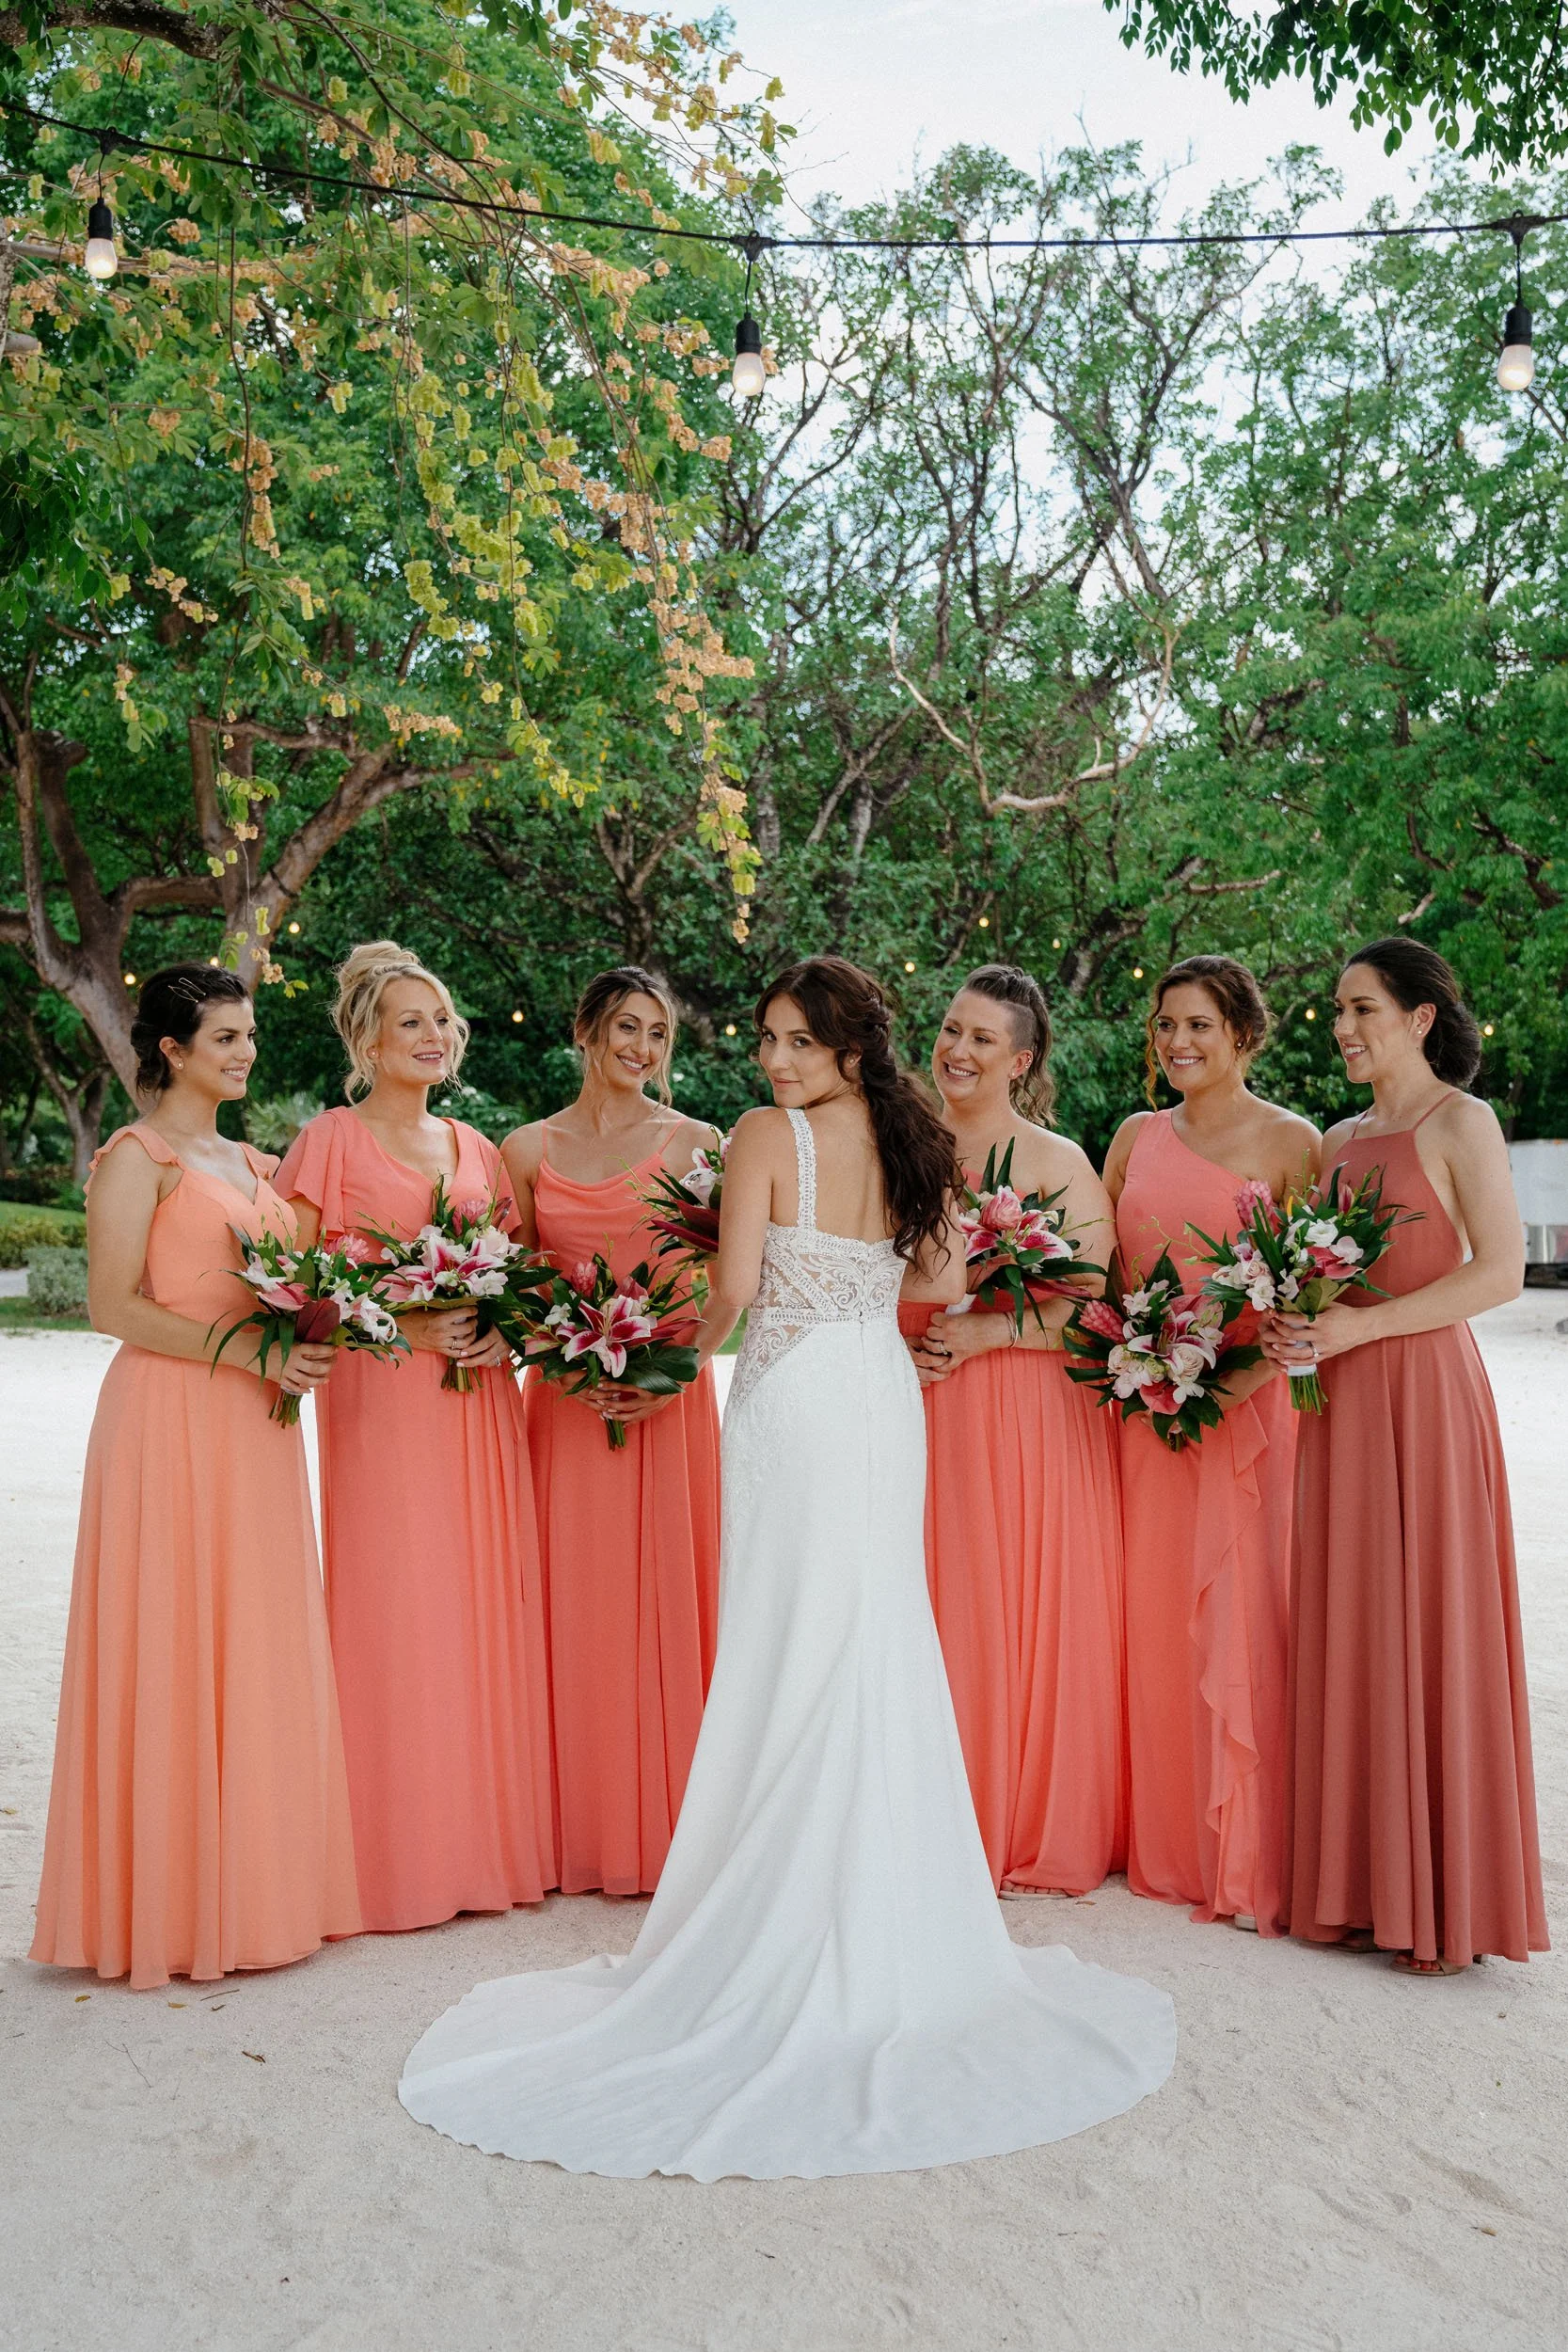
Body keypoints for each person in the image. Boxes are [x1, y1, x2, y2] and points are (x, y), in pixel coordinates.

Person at [400, 956, 1175, 2180]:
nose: (772, 1063)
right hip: (874, 1395)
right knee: (871, 1634)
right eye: (766, 1041)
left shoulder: (766, 1136)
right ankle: (889, 1913)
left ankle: (775, 1910)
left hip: (790, 1399)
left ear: (845, 1046)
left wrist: (653, 1345)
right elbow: (939, 1284)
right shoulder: (909, 1138)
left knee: (784, 1640)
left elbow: (735, 1296)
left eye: (793, 1043)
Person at [31, 966, 360, 1991]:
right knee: (172, 1638)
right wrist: (250, 1354)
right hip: (170, 1419)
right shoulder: (139, 1157)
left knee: (250, 1644)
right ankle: (164, 1908)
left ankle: (254, 1888)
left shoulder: (249, 1160)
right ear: (170, 1050)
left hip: (253, 1431)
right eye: (223, 1037)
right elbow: (112, 1306)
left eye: (247, 1034)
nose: (244, 1053)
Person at [1264, 939, 1547, 1974]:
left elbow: (1500, 1272)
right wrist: (1302, 1323)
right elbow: (1316, 1276)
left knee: (1428, 1616)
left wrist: (1357, 1331)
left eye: (1360, 1008)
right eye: (1335, 1009)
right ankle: (1349, 1888)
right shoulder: (1335, 1137)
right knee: (1350, 1619)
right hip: (1337, 1401)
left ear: (1419, 1016)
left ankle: (1436, 1901)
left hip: (1424, 1399)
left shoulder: (1460, 1121)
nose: (1340, 1026)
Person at [276, 943, 555, 1933]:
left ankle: (480, 1849)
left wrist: (497, 1329)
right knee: (397, 1605)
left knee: (475, 1602)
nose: (433, 1036)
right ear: (364, 1037)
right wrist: (399, 1321)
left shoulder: (477, 1149)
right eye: (410, 1022)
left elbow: (521, 1276)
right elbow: (297, 1290)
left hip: (476, 1405)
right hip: (382, 1404)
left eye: (441, 1020)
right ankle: (388, 1858)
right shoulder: (329, 1140)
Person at [1102, 956, 1318, 1938]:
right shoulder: (1132, 1135)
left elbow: (1306, 1294)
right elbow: (1101, 1278)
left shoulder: (1290, 1141)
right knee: (1146, 1619)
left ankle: (1239, 1852)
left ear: (1241, 1033)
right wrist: (1132, 1361)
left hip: (1243, 1414)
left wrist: (1227, 1376)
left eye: (1196, 1025)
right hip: (1140, 1414)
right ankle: (1157, 1839)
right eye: (1163, 1025)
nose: (1176, 1042)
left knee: (1236, 1617)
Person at [900, 966, 1126, 1895]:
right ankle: (917, 1810)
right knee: (922, 1595)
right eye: (951, 1028)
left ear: (1020, 1058)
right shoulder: (894, 1144)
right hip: (910, 1392)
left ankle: (1013, 1812)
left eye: (981, 1039)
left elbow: (1091, 1303)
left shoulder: (1054, 1159)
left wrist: (990, 1329)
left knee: (1008, 1595)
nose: (956, 1050)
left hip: (1021, 1408)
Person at [499, 968, 721, 1897]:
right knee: (568, 1605)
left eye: (657, 1034)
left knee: (662, 1600)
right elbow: (508, 1281)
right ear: (584, 1030)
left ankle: (673, 1828)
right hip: (565, 1403)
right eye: (625, 1026)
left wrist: (669, 1375)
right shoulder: (524, 1146)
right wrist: (558, 1353)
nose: (641, 1046)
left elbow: (728, 1284)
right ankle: (567, 1829)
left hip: (665, 1403)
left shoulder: (699, 1142)